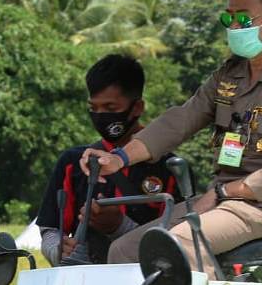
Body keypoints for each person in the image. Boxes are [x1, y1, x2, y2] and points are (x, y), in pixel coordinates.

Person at [81, 0, 262, 278]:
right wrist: (118, 158)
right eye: (229, 18)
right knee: (124, 250)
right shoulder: (230, 74)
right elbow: (182, 119)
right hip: (221, 199)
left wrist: (228, 193)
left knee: (182, 242)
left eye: (243, 18)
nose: (234, 27)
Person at [35, 54, 180, 266]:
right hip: (84, 283)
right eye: (94, 108)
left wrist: (119, 226)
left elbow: (178, 241)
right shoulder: (72, 161)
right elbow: (50, 229)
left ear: (137, 108)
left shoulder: (170, 168)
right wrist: (57, 248)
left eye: (111, 109)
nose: (101, 116)